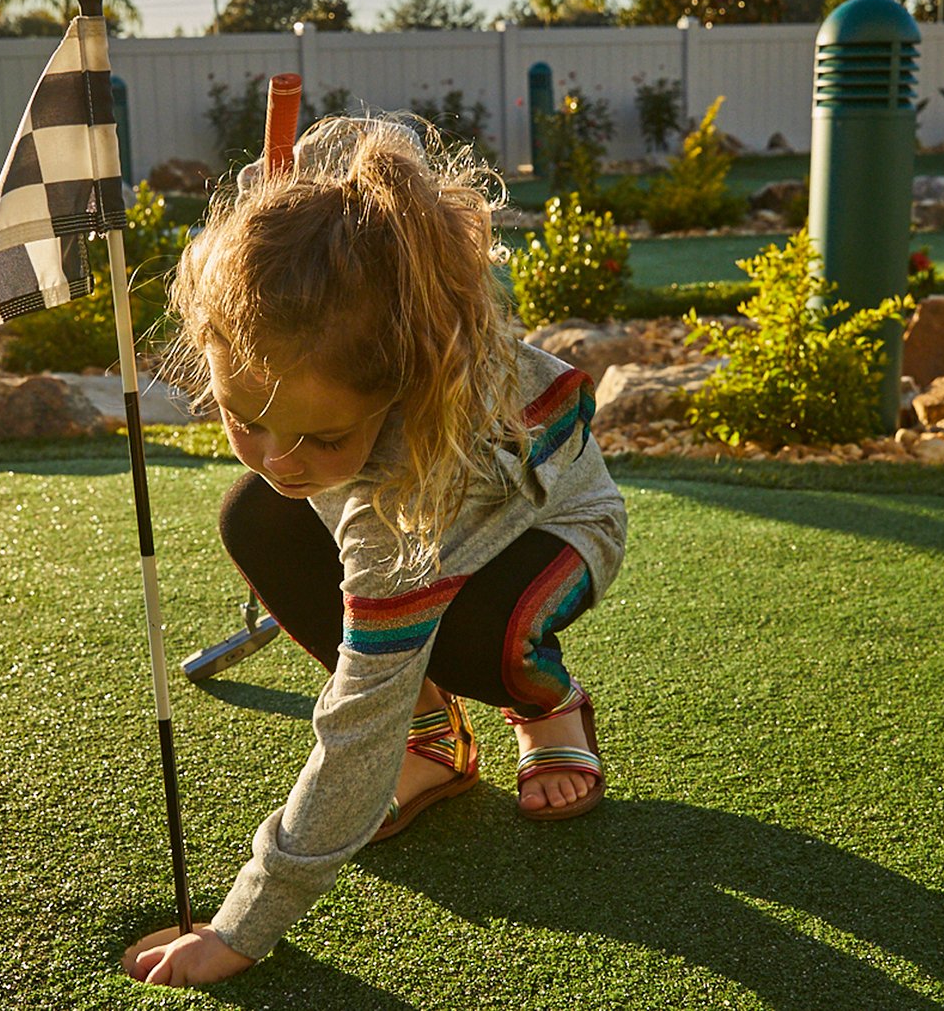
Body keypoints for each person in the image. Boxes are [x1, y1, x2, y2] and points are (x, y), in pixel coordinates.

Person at [130, 115, 627, 987]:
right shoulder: (315, 418)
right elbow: (371, 154)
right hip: (405, 529)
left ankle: (550, 706)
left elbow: (358, 715)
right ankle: (436, 741)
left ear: (401, 385)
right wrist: (310, 456)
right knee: (256, 511)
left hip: (555, 529)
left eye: (320, 436)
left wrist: (245, 925)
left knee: (482, 633)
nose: (282, 457)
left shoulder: (410, 493)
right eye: (247, 420)